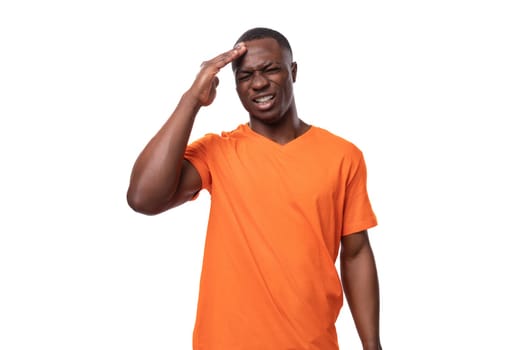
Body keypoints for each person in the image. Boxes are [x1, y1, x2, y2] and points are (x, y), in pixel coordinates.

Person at [127, 27, 382, 350]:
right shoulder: (217, 152)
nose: (258, 83)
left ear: (293, 71)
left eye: (270, 69)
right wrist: (192, 100)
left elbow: (356, 252)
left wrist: (372, 344)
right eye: (245, 76)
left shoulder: (343, 155)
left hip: (311, 343)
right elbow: (142, 198)